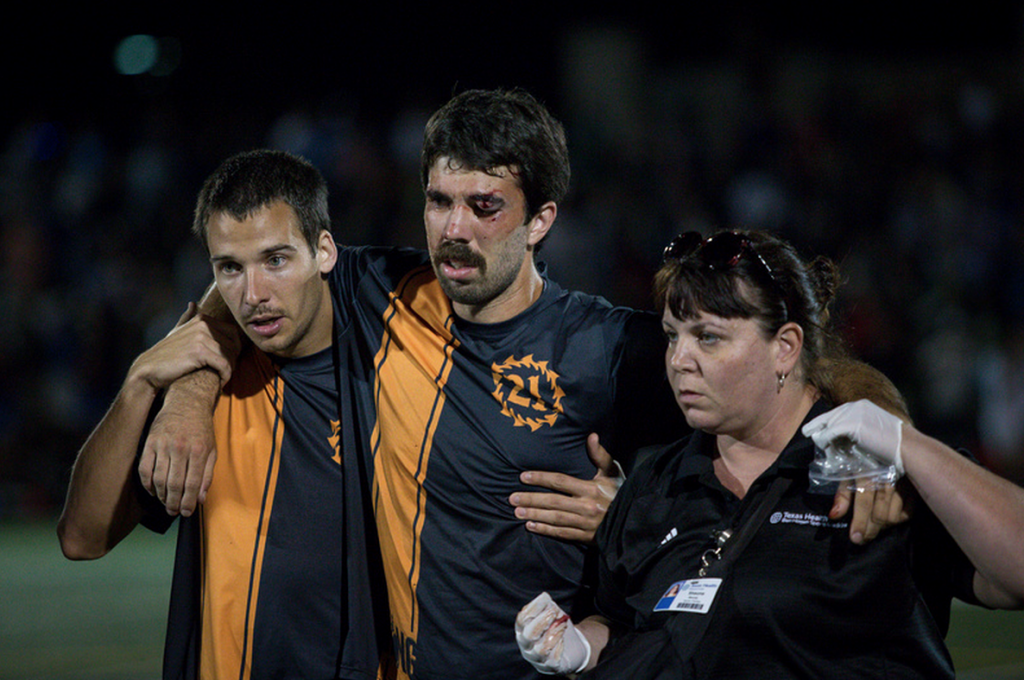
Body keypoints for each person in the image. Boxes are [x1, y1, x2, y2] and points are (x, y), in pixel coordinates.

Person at [145, 91, 903, 680]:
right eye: (440, 202)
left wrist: (876, 446)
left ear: (539, 220)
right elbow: (241, 281)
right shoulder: (381, 290)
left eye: (485, 207)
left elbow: (798, 373)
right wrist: (187, 396)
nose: (454, 230)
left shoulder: (604, 347)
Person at [515, 229, 1024, 678]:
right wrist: (582, 645)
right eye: (673, 336)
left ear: (785, 346)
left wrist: (908, 446)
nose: (679, 360)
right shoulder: (656, 482)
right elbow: (628, 623)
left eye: (708, 337)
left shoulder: (872, 475)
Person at [57, 151, 394, 680]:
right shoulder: (208, 389)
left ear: (324, 250)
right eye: (229, 268)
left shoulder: (397, 368)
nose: (253, 294)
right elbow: (82, 538)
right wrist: (139, 384)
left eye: (276, 260)